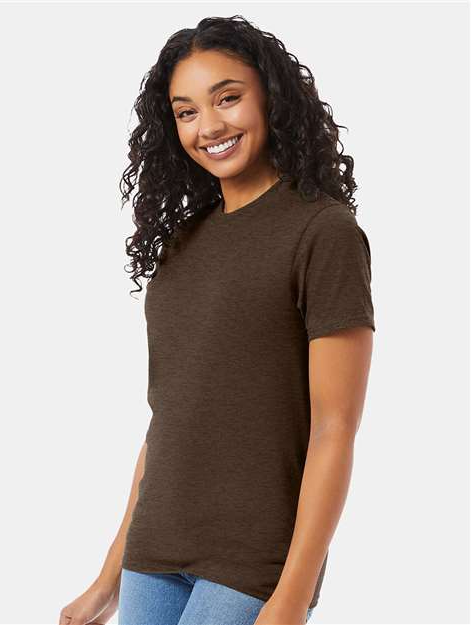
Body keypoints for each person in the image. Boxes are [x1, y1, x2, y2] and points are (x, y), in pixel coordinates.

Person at [58, 14, 375, 625]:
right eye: (186, 111)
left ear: (272, 97)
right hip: (153, 551)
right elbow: (169, 422)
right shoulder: (181, 245)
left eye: (227, 98)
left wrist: (292, 596)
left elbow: (335, 427)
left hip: (254, 561)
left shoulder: (323, 232)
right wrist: (108, 577)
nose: (208, 126)